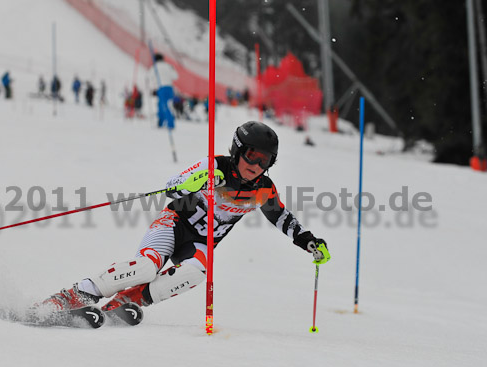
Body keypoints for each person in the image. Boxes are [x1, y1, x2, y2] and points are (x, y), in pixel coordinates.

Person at [36, 121, 330, 314]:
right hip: (174, 225)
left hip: (202, 243)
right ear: (238, 150)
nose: (255, 164)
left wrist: (308, 241)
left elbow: (281, 217)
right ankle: (75, 295)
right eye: (251, 155)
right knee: (146, 267)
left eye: (263, 160)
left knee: (196, 273)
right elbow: (172, 188)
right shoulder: (214, 166)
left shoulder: (263, 189)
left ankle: (124, 304)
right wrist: (202, 180)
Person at [149, 53, 178, 129]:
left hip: (161, 87)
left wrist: (153, 88)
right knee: (163, 104)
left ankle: (170, 123)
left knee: (163, 105)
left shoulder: (155, 67)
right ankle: (161, 122)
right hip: (170, 88)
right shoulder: (168, 66)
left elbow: (150, 77)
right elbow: (175, 76)